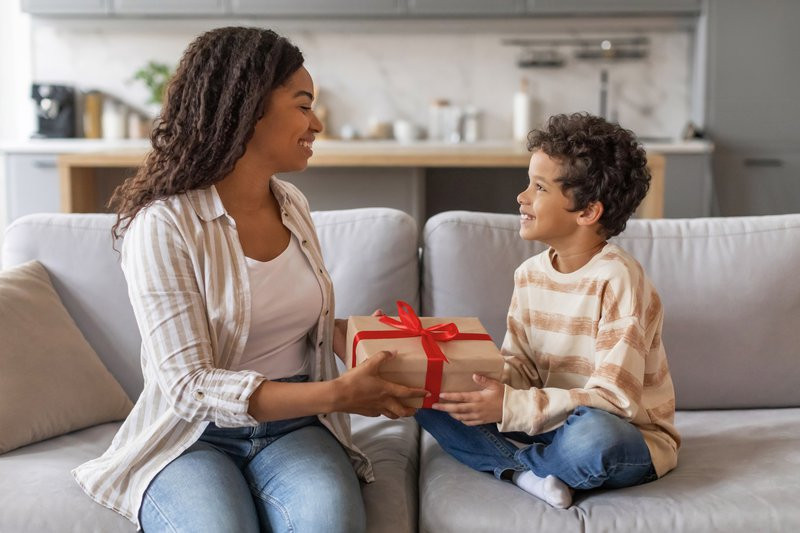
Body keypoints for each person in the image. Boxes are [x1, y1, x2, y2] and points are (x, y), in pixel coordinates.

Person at [72, 27, 427, 533]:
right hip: (191, 436)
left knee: (331, 522)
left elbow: (299, 323)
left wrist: (379, 347)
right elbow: (188, 386)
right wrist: (339, 395)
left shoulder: (292, 204)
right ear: (249, 108)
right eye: (303, 106)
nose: (317, 123)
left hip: (294, 428)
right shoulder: (164, 226)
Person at [415, 113, 680, 508]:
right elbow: (521, 370)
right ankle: (536, 474)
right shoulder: (530, 275)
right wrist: (471, 378)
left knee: (595, 436)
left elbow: (616, 401)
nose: (521, 197)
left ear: (587, 212)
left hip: (626, 434)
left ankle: (518, 468)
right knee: (426, 396)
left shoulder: (618, 279)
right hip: (548, 423)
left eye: (539, 187)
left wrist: (509, 406)